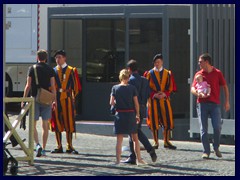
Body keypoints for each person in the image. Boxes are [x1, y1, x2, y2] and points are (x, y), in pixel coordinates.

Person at [191, 53, 230, 159]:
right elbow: (193, 88)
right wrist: (197, 93)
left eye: (200, 61)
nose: (199, 63)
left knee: (217, 126)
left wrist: (227, 101)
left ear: (207, 62)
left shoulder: (217, 73)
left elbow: (225, 87)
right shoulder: (199, 74)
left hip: (215, 104)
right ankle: (206, 151)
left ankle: (216, 147)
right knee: (203, 129)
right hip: (202, 104)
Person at [121, 60, 157, 165]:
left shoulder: (130, 80)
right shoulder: (145, 80)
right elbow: (148, 94)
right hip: (142, 108)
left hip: (133, 109)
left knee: (134, 131)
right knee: (135, 131)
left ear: (129, 69)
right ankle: (132, 156)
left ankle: (149, 149)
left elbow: (129, 96)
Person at [22, 49, 56, 157]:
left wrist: (23, 99)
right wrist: (54, 100)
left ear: (37, 57)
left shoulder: (32, 68)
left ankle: (37, 145)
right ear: (46, 58)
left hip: (35, 98)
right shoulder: (50, 69)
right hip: (46, 98)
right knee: (45, 125)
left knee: (33, 124)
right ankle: (44, 148)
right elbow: (53, 86)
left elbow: (28, 86)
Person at [110, 69, 147, 166]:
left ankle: (118, 160)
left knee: (119, 140)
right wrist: (137, 115)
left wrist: (118, 103)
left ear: (120, 77)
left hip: (120, 115)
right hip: (130, 115)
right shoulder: (132, 88)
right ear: (128, 77)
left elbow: (111, 102)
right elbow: (136, 104)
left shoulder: (115, 88)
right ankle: (139, 159)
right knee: (135, 138)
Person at [50, 50, 81, 154]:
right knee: (57, 122)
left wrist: (72, 98)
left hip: (67, 98)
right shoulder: (53, 71)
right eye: (56, 58)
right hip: (56, 99)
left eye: (59, 57)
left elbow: (76, 87)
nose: (57, 59)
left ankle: (70, 146)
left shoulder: (72, 70)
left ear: (64, 58)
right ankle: (59, 145)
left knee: (69, 122)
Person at [146, 54, 176, 150]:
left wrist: (165, 94)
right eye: (155, 62)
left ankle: (166, 141)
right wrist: (153, 95)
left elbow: (171, 87)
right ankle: (155, 141)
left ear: (162, 62)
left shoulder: (168, 73)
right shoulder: (150, 74)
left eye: (158, 62)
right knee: (154, 121)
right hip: (153, 100)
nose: (157, 64)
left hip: (164, 100)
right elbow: (146, 87)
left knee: (167, 119)